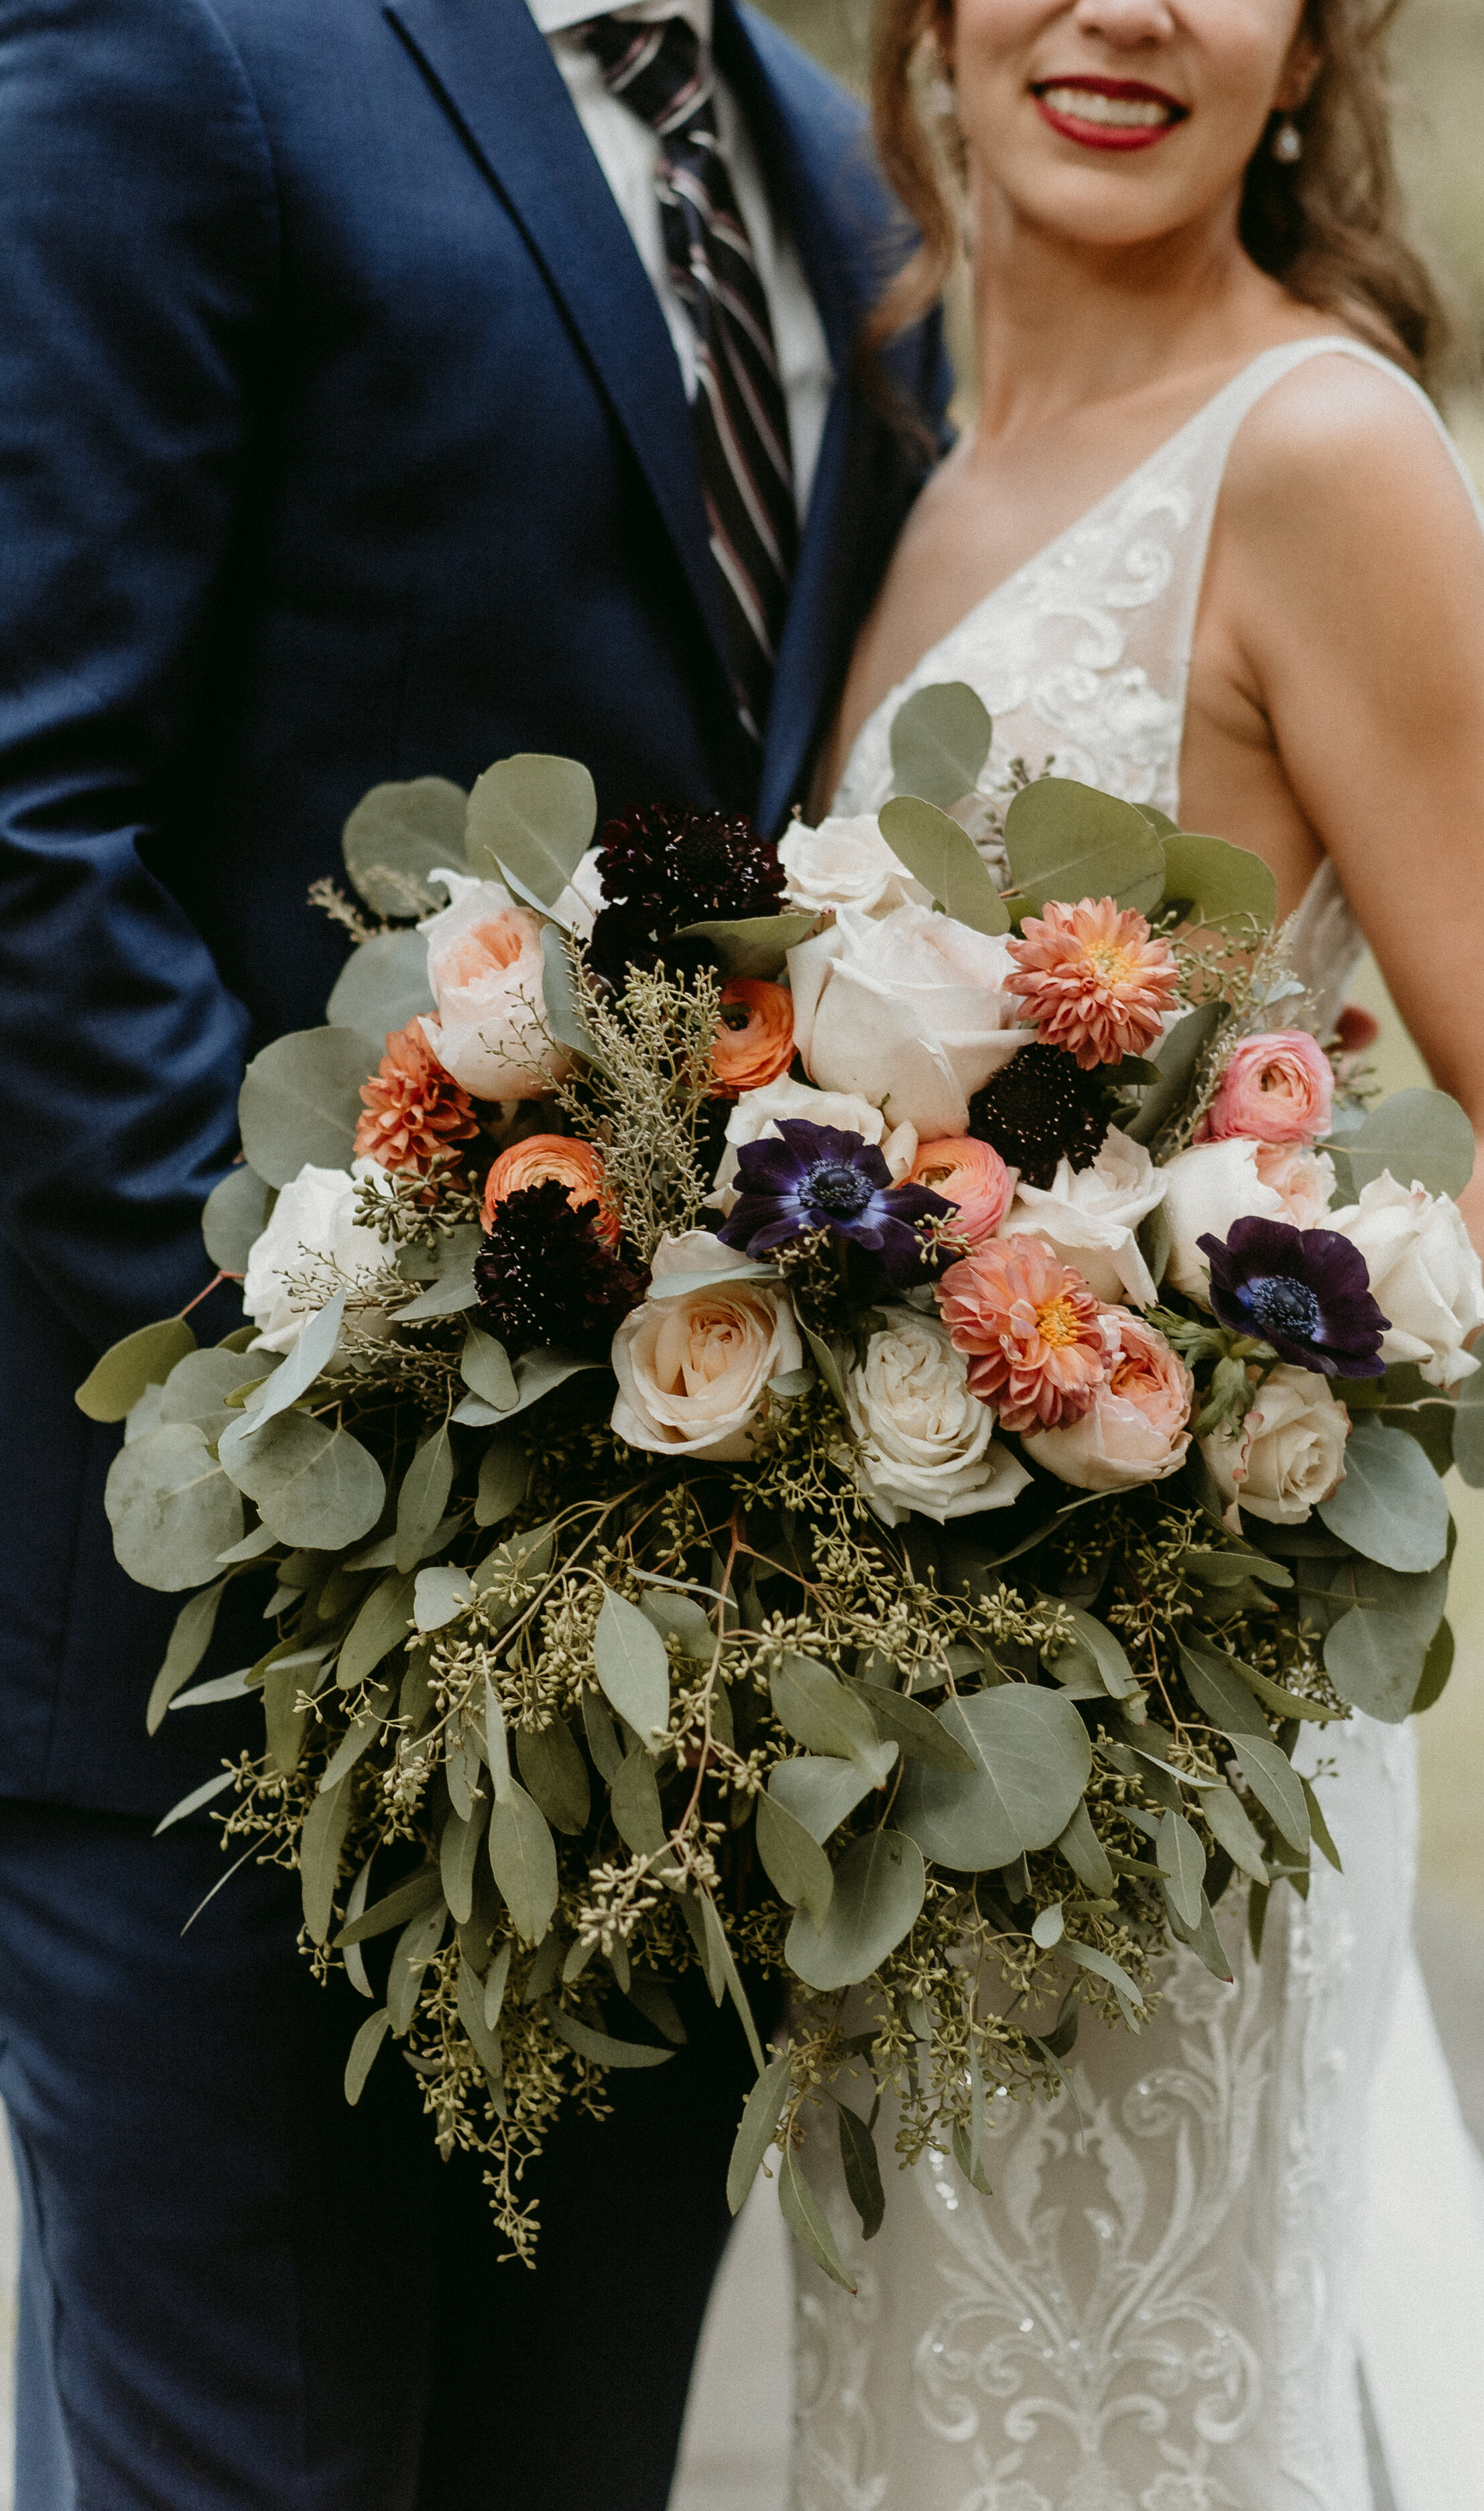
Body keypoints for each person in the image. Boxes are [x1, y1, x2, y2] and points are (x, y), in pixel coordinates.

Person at [0, 1, 945, 2502]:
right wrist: (336, 1391)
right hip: (213, 1653)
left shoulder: (844, 167)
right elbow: (28, 820)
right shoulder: (183, 48)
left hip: (673, 1676)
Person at [788, 1, 1484, 2506]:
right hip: (915, 1754)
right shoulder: (927, 460)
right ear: (931, 19)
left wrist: (1156, 1455)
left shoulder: (1311, 453)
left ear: (1310, 51)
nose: (1135, 9)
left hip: (1160, 1711)